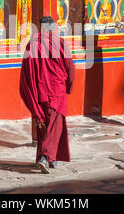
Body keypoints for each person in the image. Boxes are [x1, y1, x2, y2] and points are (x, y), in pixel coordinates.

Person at [19, 16, 75, 174]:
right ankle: (45, 156)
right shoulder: (60, 43)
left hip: (38, 91)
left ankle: (51, 158)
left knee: (44, 124)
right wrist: (68, 87)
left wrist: (30, 91)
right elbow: (70, 69)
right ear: (54, 29)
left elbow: (26, 71)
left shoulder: (32, 44)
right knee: (53, 125)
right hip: (56, 91)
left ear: (42, 28)